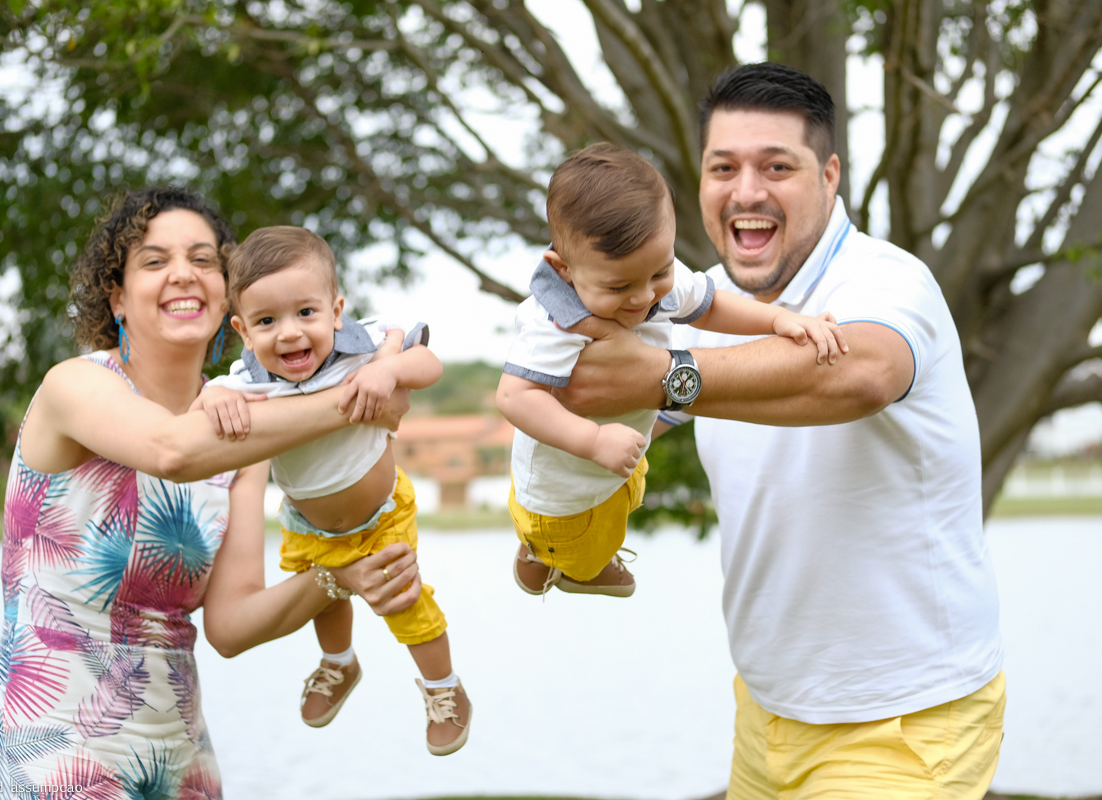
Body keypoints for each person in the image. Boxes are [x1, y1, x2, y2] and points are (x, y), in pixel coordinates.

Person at [557, 64, 1005, 798]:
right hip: (766, 713)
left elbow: (858, 374)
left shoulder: (888, 281)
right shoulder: (698, 301)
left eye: (777, 167)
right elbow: (607, 409)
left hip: (907, 718)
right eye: (723, 167)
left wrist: (664, 376)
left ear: (830, 176)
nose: (747, 192)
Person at [0, 187, 423, 799]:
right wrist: (361, 395)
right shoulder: (75, 386)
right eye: (155, 261)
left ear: (227, 300)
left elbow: (232, 626)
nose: (183, 275)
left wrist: (340, 575)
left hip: (180, 747)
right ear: (116, 296)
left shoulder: (247, 436)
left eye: (203, 259)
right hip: (56, 739)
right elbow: (172, 451)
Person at [497, 142, 844, 598]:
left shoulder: (646, 268)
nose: (644, 297)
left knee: (628, 496)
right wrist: (593, 440)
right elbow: (513, 396)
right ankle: (557, 560)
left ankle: (554, 553)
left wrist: (778, 319)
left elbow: (709, 303)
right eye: (619, 286)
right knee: (584, 542)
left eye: (659, 273)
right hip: (565, 494)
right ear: (563, 271)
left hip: (614, 463)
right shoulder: (553, 325)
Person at [199, 226, 472, 755]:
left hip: (381, 515)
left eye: (306, 313)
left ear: (336, 310)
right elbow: (201, 410)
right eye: (266, 321)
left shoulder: (365, 347)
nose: (290, 334)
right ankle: (340, 664)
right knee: (322, 597)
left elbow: (429, 364)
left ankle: (445, 689)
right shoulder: (245, 380)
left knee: (403, 601)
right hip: (306, 523)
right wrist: (213, 401)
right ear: (242, 330)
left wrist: (389, 370)